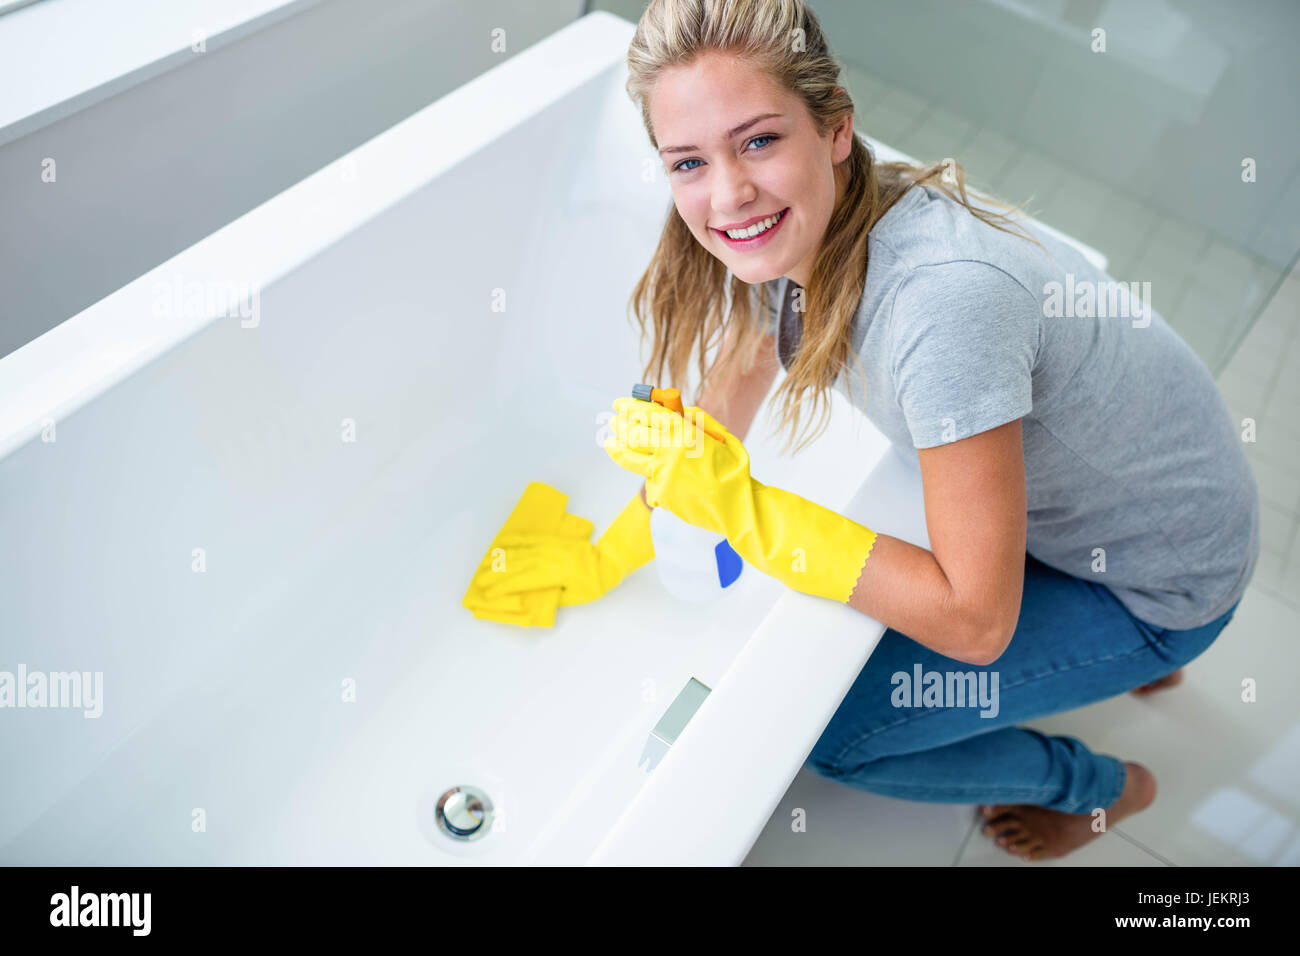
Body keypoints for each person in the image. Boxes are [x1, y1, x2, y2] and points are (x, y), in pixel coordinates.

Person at [477, 0, 1260, 862]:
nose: (727, 193)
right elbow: (738, 376)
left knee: (835, 737)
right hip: (1132, 505)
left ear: (836, 129)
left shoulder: (941, 304)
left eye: (758, 141)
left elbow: (975, 626)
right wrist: (616, 542)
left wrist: (748, 512)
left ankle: (1105, 787)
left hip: (1166, 580)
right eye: (689, 161)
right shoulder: (800, 217)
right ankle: (1131, 657)